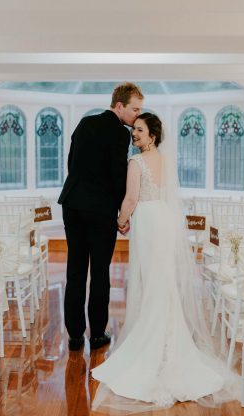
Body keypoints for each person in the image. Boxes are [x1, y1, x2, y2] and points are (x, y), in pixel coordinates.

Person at [91, 113, 240, 412]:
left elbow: (131, 199)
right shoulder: (166, 161)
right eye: (134, 129)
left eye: (140, 130)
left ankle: (152, 342)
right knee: (163, 280)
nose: (134, 134)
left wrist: (120, 221)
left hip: (147, 219)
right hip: (165, 219)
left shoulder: (136, 162)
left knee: (150, 280)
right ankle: (170, 341)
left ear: (153, 135)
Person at [58, 82, 144, 351]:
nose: (137, 116)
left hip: (72, 204)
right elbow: (118, 176)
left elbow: (71, 162)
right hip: (100, 209)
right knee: (99, 272)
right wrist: (122, 214)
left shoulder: (85, 123)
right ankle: (97, 334)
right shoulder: (119, 133)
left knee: (75, 270)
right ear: (119, 105)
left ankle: (74, 336)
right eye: (134, 109)